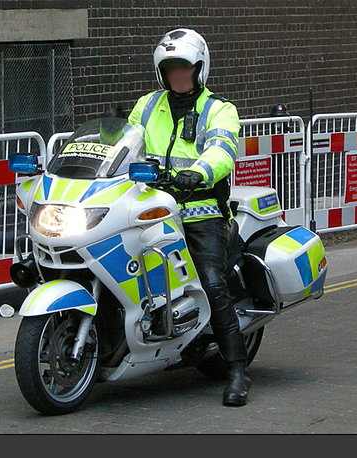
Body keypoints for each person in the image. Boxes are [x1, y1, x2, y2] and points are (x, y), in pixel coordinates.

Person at [128, 29, 250, 407]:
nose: (177, 74)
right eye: (170, 68)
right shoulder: (147, 105)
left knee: (213, 282)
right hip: (150, 208)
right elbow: (124, 143)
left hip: (201, 212)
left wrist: (199, 171)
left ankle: (237, 371)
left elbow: (223, 149)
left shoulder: (219, 109)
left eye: (184, 67)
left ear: (199, 68)